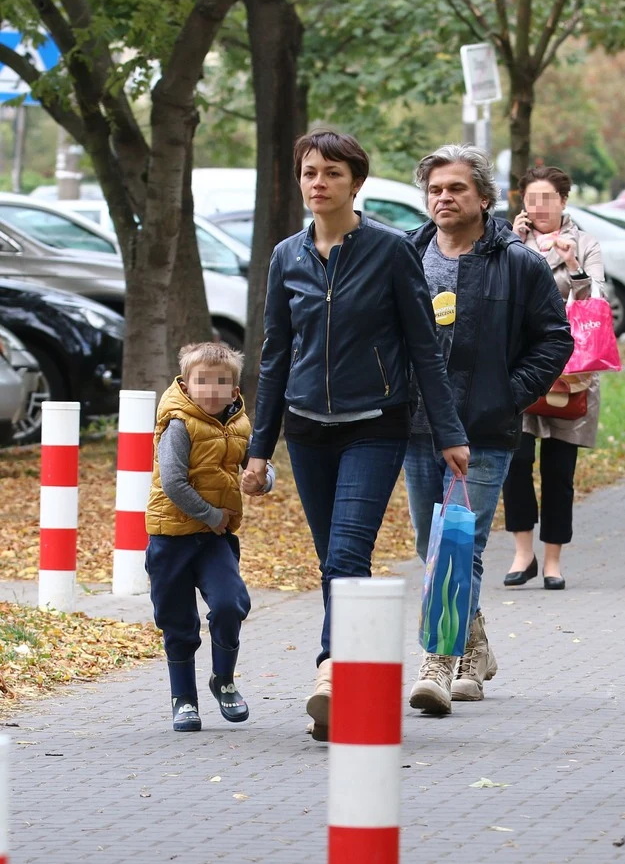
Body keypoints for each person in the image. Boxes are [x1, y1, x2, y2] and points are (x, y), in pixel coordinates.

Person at [241, 130, 470, 742]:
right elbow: (275, 355)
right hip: (307, 430)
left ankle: (331, 670)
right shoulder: (287, 256)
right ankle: (344, 681)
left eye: (333, 173)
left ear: (356, 183)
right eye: (310, 172)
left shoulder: (391, 251)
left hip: (375, 424)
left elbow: (424, 347)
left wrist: (449, 431)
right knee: (332, 560)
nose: (319, 183)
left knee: (346, 553)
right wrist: (260, 448)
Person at [404, 145, 574, 716]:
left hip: (481, 429)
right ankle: (474, 648)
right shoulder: (408, 253)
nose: (443, 198)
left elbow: (555, 338)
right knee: (432, 545)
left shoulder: (518, 262)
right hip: (417, 426)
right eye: (435, 189)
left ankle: (439, 661)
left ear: (483, 196)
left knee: (461, 543)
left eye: (455, 188)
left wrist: (506, 394)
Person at [145, 342, 274, 732]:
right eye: (203, 381)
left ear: (235, 391)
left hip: (216, 539)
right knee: (178, 621)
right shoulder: (178, 424)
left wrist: (260, 481)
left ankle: (224, 679)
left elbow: (257, 467)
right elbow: (173, 482)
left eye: (221, 383)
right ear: (186, 384)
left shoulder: (239, 425)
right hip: (172, 536)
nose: (212, 390)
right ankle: (183, 698)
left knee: (230, 603)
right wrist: (213, 515)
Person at [502, 165, 606, 591]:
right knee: (516, 461)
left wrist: (571, 261)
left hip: (571, 373)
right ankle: (522, 552)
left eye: (548, 198)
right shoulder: (509, 240)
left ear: (563, 201)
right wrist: (509, 241)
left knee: (559, 471)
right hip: (520, 370)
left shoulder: (585, 242)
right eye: (532, 199)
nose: (540, 207)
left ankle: (552, 560)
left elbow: (596, 300)